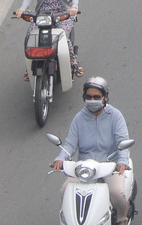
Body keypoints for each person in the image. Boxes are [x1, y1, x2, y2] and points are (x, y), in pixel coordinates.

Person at [52, 77, 131, 225]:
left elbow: (122, 143)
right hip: (84, 169)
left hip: (109, 167)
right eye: (89, 97)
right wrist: (60, 158)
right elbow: (70, 144)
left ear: (105, 97)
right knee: (64, 190)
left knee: (117, 193)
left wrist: (122, 162)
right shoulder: (79, 118)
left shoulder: (115, 116)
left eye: (96, 97)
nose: (92, 100)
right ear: (84, 98)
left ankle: (121, 219)